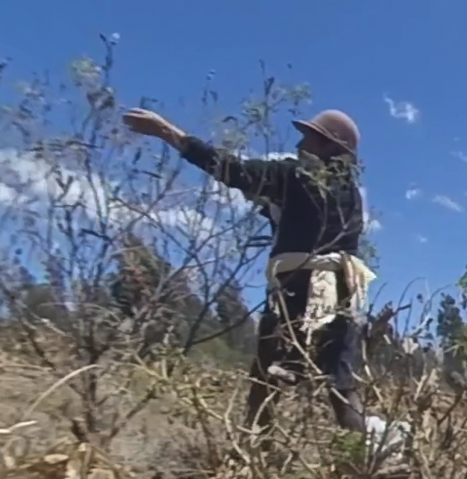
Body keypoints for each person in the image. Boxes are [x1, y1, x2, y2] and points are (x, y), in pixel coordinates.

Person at [121, 106, 373, 435]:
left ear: (329, 146)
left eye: (308, 139)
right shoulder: (351, 195)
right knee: (341, 384)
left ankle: (255, 452)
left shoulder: (295, 175)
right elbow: (312, 222)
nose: (299, 147)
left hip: (297, 292)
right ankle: (365, 459)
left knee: (265, 379)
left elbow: (232, 169)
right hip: (341, 294)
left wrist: (165, 131)